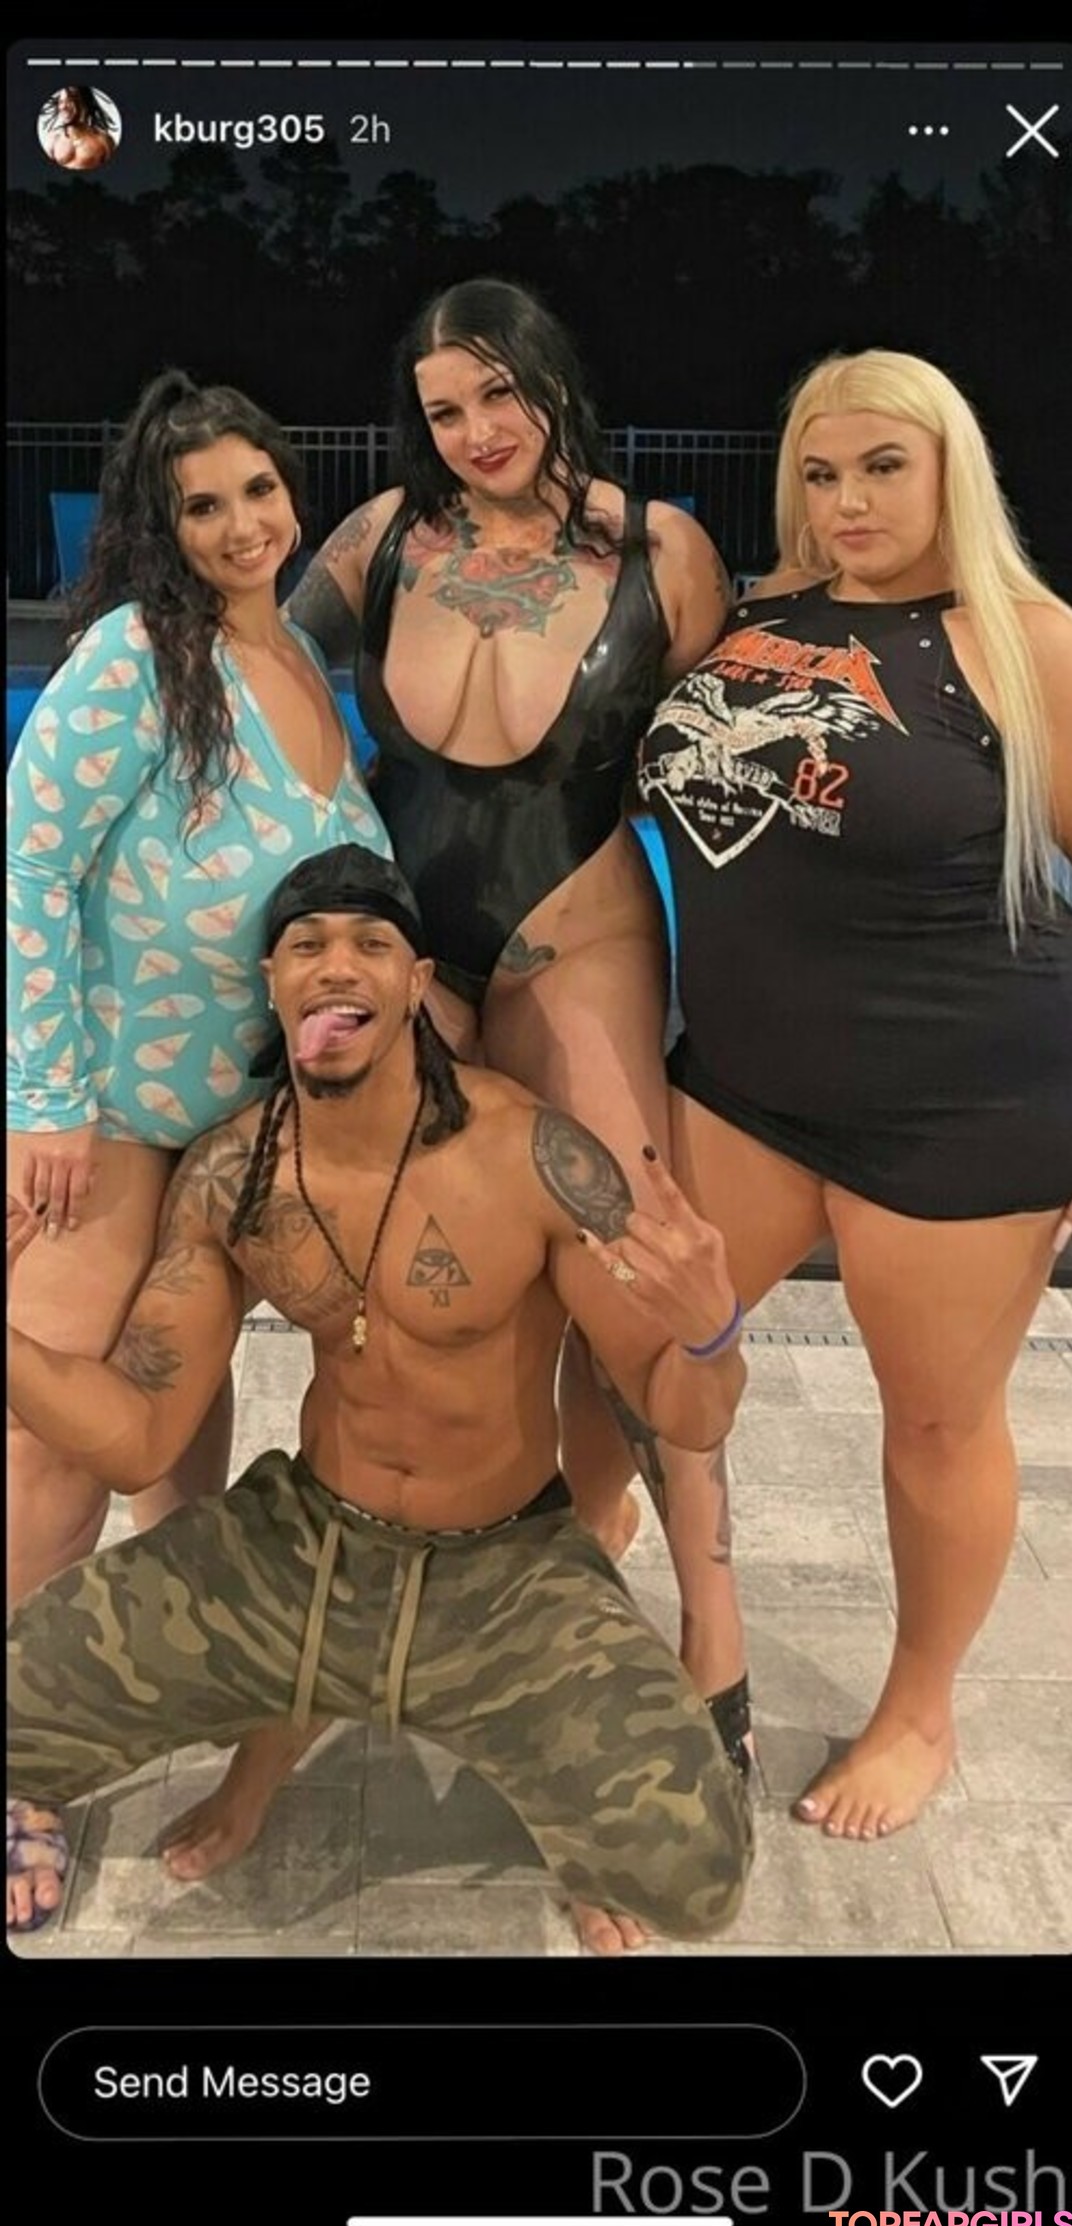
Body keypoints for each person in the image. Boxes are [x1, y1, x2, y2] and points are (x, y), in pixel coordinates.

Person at [6, 843, 752, 1957]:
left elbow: (681, 1412)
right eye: (306, 944)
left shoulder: (531, 1156)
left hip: (507, 1567)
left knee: (693, 1874)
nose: (337, 963)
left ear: (417, 982)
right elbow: (136, 1437)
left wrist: (710, 1330)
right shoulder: (234, 1178)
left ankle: (536, 1774)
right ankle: (290, 1715)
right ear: (273, 984)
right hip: (307, 1547)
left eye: (371, 942)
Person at [287, 275, 755, 1798]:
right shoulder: (379, 542)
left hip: (578, 932)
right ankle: (467, 1578)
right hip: (412, 953)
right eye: (444, 409)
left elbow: (741, 763)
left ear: (552, 380)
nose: (478, 431)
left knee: (635, 1263)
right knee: (425, 1285)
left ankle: (716, 1631)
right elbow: (248, 677)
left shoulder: (660, 551)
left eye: (500, 392)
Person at [639, 347, 1072, 1842]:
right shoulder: (761, 615)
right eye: (821, 473)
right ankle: (656, 1590)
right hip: (744, 1086)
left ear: (954, 466)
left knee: (938, 1426)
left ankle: (921, 1707)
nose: (848, 502)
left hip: (963, 1105)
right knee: (643, 1342)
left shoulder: (1029, 642)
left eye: (885, 466)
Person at [7, 368, 393, 1614]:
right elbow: (29, 865)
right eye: (202, 506)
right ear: (160, 527)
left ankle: (155, 1665)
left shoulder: (298, 657)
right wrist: (46, 1103)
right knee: (55, 1430)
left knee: (175, 1410)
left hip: (234, 1131)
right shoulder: (139, 654)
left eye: (258, 489)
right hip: (111, 1120)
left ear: (293, 490)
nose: (242, 525)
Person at [39, 85, 117, 172]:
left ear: (85, 104)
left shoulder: (103, 141)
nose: (63, 107)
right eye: (61, 102)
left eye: (70, 101)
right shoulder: (53, 140)